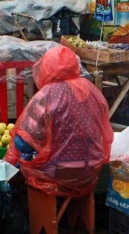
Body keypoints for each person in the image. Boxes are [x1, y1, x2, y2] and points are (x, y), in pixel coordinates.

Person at [4, 45, 114, 198]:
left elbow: (24, 143)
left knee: (22, 155)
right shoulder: (91, 90)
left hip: (56, 174)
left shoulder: (47, 95)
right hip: (90, 171)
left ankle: (28, 211)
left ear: (47, 68)